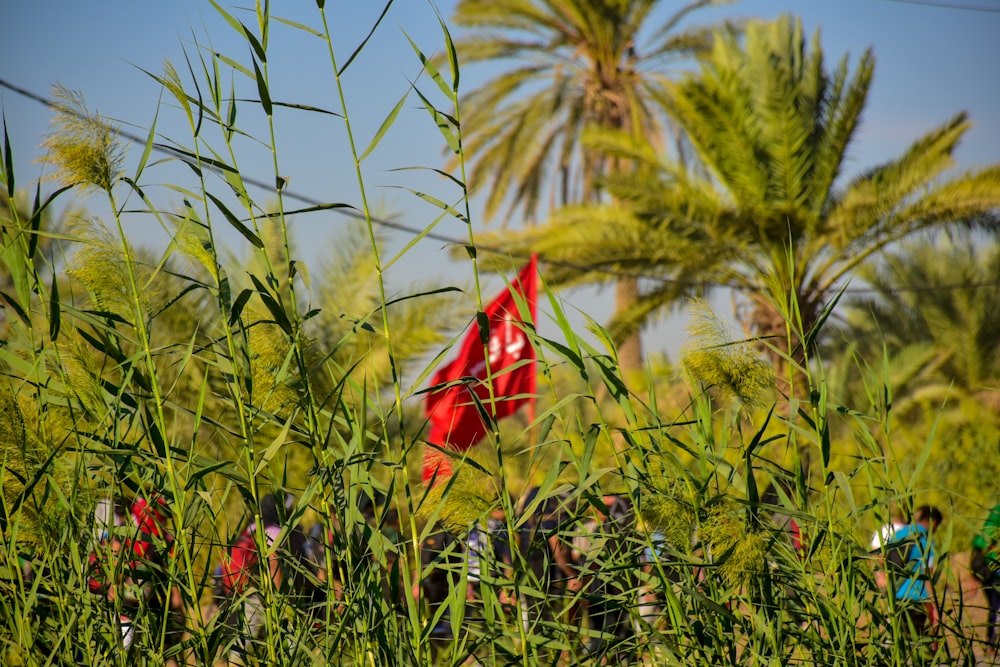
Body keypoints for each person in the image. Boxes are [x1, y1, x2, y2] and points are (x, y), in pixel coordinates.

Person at [884, 505, 944, 640]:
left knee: (896, 640)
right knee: (916, 642)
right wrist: (934, 606)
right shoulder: (925, 540)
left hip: (895, 594)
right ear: (933, 522)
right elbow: (927, 575)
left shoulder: (898, 534)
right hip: (915, 597)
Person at [970, 504, 1000, 653]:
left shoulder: (993, 515)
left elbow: (978, 544)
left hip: (987, 570)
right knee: (996, 606)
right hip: (995, 570)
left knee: (994, 607)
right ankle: (991, 642)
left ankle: (990, 642)